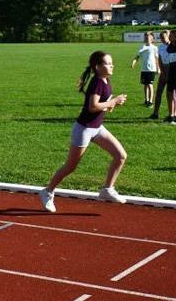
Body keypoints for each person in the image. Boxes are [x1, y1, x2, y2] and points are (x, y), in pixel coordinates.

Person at [38, 51, 128, 213]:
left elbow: (102, 103)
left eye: (112, 62)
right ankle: (47, 192)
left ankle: (107, 189)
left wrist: (112, 104)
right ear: (98, 67)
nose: (112, 65)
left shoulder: (106, 80)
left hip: (97, 128)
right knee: (70, 166)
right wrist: (113, 102)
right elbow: (93, 107)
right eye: (108, 63)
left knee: (121, 155)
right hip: (84, 129)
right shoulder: (97, 82)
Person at [131, 32, 158, 107]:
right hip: (144, 69)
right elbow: (138, 56)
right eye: (145, 38)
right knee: (145, 85)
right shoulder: (142, 47)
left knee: (150, 84)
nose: (146, 39)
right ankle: (146, 100)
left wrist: (158, 68)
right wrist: (134, 62)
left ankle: (150, 101)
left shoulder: (154, 48)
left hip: (151, 69)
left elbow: (157, 59)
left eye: (148, 38)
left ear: (152, 39)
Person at [148, 32, 171, 120]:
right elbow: (159, 59)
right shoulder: (160, 47)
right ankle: (155, 113)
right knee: (158, 92)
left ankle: (171, 114)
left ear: (168, 37)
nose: (162, 39)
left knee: (169, 94)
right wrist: (161, 70)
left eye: (163, 37)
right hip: (163, 70)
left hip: (170, 70)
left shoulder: (172, 46)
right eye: (161, 37)